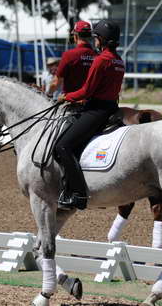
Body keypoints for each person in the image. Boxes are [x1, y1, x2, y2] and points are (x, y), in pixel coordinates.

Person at [55, 20, 124, 210]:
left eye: (95, 38)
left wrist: (65, 97)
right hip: (112, 108)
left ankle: (78, 194)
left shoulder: (101, 60)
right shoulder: (119, 60)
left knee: (62, 146)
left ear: (101, 39)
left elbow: (86, 91)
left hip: (96, 110)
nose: (94, 41)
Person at [48, 20, 95, 97]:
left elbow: (55, 82)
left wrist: (48, 93)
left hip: (71, 103)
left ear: (75, 36)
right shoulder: (98, 56)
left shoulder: (69, 55)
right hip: (92, 103)